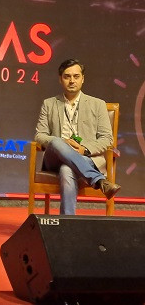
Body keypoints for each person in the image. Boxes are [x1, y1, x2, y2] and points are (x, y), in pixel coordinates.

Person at [35, 58, 121, 215]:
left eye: (76, 76)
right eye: (67, 77)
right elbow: (40, 135)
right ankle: (98, 180)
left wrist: (84, 149)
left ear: (83, 79)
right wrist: (61, 142)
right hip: (55, 158)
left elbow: (107, 139)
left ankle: (67, 223)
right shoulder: (49, 104)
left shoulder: (97, 104)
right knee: (57, 141)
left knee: (67, 169)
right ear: (60, 79)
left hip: (86, 157)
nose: (72, 81)